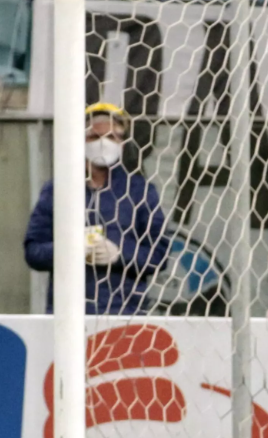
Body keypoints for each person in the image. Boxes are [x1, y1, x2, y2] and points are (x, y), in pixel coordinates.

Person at [24, 102, 170, 315]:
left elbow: (159, 255)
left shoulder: (140, 191)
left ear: (122, 143)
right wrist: (68, 249)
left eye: (112, 137)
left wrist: (119, 253)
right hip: (67, 315)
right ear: (80, 141)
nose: (103, 143)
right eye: (94, 136)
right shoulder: (57, 189)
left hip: (125, 315)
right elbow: (33, 252)